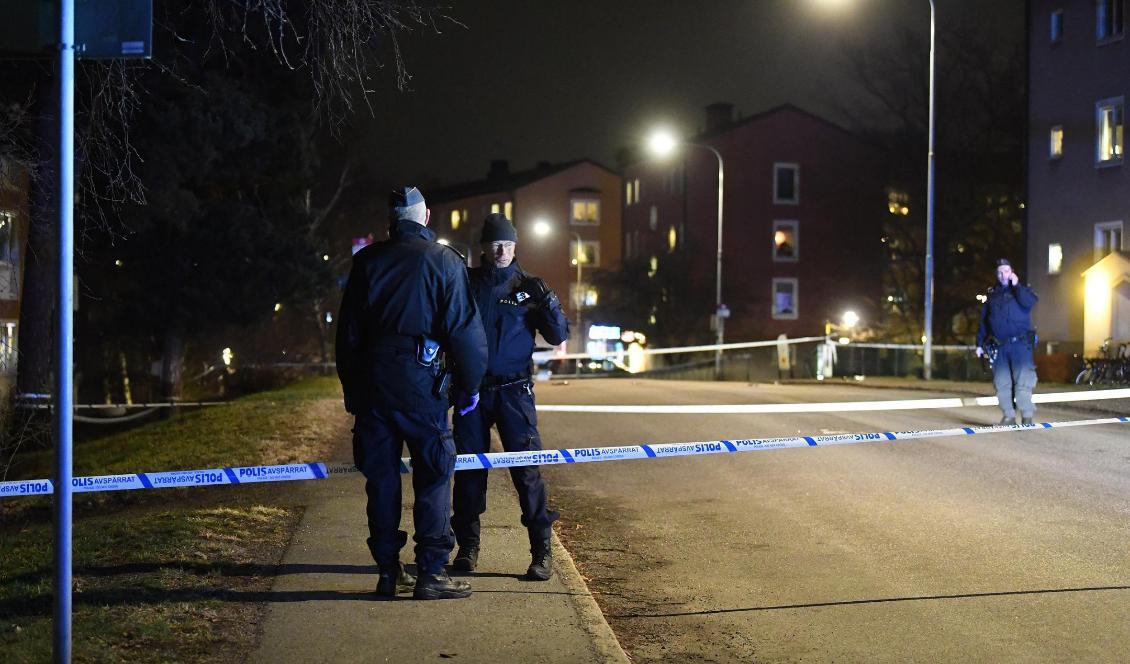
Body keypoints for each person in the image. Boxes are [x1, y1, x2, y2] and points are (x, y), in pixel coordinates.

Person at [336, 187, 488, 600]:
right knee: (435, 476)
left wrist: (353, 391)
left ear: (392, 220)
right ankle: (431, 573)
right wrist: (470, 386)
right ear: (425, 218)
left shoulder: (367, 261)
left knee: (382, 481)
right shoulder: (444, 261)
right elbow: (464, 331)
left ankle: (388, 572)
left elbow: (347, 335)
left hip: (374, 388)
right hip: (424, 388)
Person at [451, 213, 570, 581]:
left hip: (515, 393)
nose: (501, 251)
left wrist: (548, 301)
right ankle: (467, 549)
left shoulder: (529, 287)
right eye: (494, 244)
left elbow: (557, 336)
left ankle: (541, 551)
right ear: (483, 248)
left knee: (527, 472)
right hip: (472, 392)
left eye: (507, 244)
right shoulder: (466, 283)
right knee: (470, 472)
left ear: (515, 246)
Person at [975, 258, 1039, 426]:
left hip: (1020, 344)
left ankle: (1027, 415)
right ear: (997, 274)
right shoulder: (992, 295)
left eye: (1006, 271)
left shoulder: (1022, 291)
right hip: (999, 345)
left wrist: (1017, 286)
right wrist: (979, 344)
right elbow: (984, 322)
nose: (1003, 275)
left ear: (1012, 272)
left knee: (1023, 380)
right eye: (1000, 272)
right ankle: (1008, 416)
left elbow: (1030, 302)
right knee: (1002, 382)